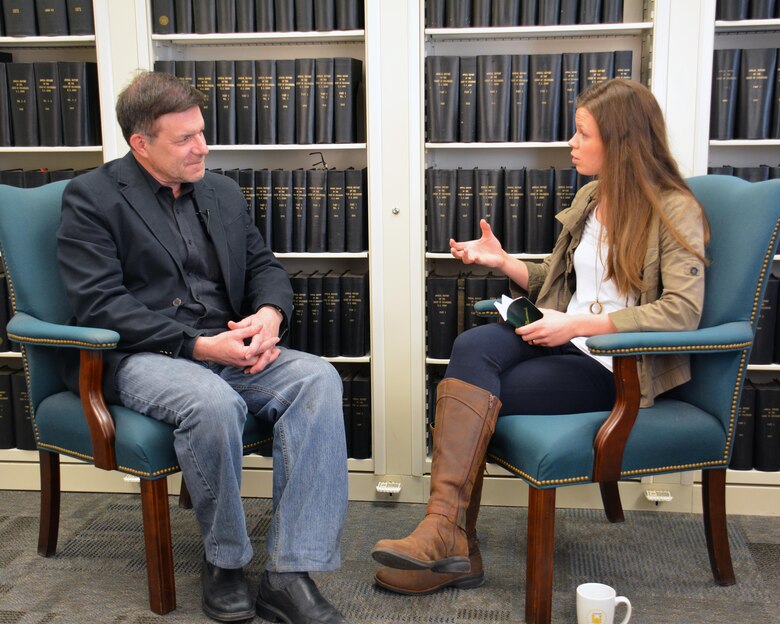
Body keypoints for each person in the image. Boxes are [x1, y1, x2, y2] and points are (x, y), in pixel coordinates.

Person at [371, 78, 709, 595]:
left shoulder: (675, 208)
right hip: (564, 339)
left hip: (614, 366)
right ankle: (447, 535)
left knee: (476, 398)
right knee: (471, 347)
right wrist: (503, 262)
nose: (571, 144)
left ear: (620, 141)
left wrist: (575, 325)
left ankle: (452, 540)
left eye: (581, 133)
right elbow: (560, 278)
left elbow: (683, 312)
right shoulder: (594, 197)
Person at [57, 71, 350, 624]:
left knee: (318, 379)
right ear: (140, 144)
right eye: (185, 138)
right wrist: (196, 346)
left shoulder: (221, 191)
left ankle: (290, 573)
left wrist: (268, 315)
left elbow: (264, 267)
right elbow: (99, 303)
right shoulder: (92, 197)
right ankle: (226, 561)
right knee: (213, 404)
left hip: (231, 343)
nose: (203, 147)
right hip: (146, 354)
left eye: (202, 132)